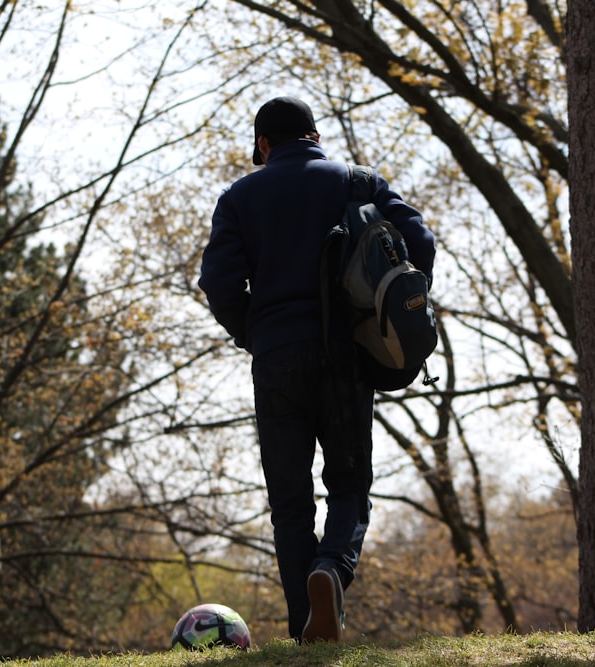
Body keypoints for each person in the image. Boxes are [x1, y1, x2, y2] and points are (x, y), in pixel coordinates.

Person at [198, 96, 435, 643]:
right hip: (345, 356)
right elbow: (418, 243)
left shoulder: (239, 196)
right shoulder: (358, 182)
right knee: (349, 484)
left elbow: (219, 282)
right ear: (315, 135)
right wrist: (383, 313)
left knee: (289, 503)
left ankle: (305, 627)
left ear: (263, 144)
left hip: (276, 359)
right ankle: (331, 568)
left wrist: (254, 333)